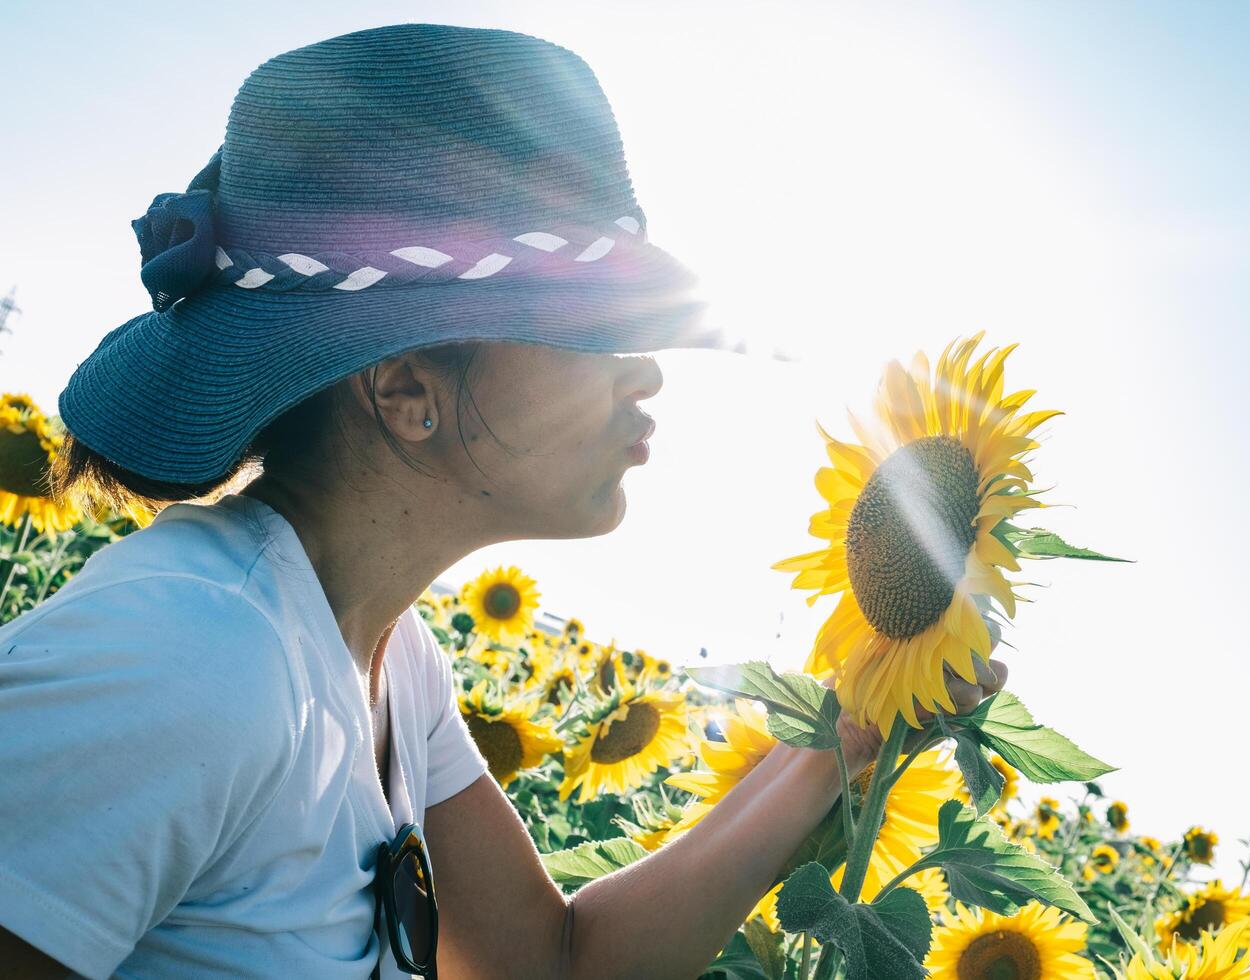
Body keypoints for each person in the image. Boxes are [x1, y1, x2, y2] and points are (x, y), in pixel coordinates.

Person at [0, 24, 1005, 980]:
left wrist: (836, 750)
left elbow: (549, 960)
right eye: (588, 334)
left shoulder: (392, 661)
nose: (644, 374)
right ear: (407, 393)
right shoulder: (185, 656)